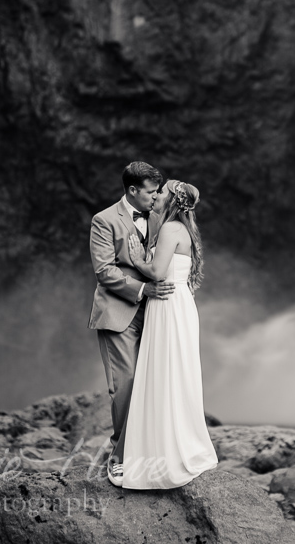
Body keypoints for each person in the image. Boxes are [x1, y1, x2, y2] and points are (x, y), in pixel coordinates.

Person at [120, 179, 218, 489]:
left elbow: (158, 273)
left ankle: (164, 452)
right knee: (173, 373)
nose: (156, 194)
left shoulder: (171, 229)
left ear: (173, 200)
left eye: (161, 191)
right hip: (176, 305)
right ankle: (169, 446)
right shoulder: (182, 229)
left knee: (165, 373)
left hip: (168, 305)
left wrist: (136, 258)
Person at [88, 162, 175, 487]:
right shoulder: (104, 220)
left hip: (156, 311)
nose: (155, 198)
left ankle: (151, 452)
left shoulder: (158, 216)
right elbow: (104, 271)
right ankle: (120, 457)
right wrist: (142, 289)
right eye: (151, 192)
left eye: (157, 192)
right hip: (118, 312)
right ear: (132, 190)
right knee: (125, 382)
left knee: (153, 380)